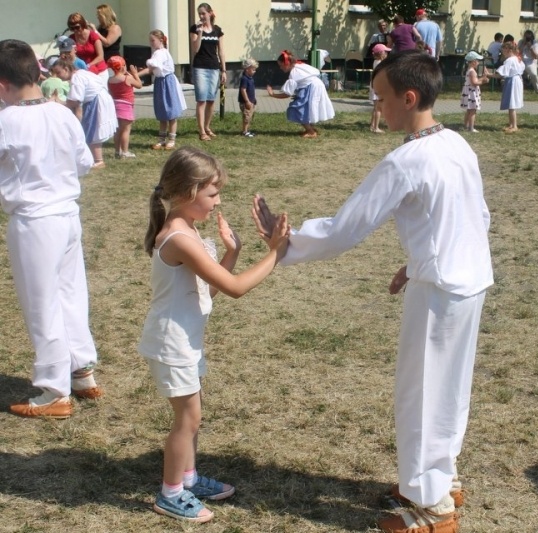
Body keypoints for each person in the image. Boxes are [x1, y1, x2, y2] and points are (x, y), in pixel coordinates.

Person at [252, 50, 493, 533]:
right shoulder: (456, 142)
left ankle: (431, 508)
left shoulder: (406, 160)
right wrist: (415, 260)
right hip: (468, 280)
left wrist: (286, 242)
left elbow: (346, 229)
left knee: (422, 392)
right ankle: (441, 480)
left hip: (441, 287)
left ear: (409, 98)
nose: (376, 107)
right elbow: (471, 217)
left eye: (380, 98)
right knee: (448, 388)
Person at [140, 147, 289, 523]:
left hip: (184, 339)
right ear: (188, 192)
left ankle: (188, 479)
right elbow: (236, 288)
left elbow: (208, 291)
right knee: (187, 419)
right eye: (212, 193)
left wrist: (233, 252)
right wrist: (276, 253)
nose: (218, 201)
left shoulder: (187, 230)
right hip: (171, 343)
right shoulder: (179, 239)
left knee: (193, 414)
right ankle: (170, 494)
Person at [0, 39, 102, 419]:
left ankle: (55, 391)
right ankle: (81, 372)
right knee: (71, 294)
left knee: (41, 303)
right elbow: (83, 162)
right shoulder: (62, 114)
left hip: (34, 220)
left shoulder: (6, 121)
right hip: (67, 214)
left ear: (2, 86)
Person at [51, 59, 116, 169]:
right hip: (101, 99)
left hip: (96, 102)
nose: (57, 76)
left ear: (66, 69)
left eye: (58, 72)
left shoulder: (77, 78)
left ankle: (98, 160)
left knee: (93, 130)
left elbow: (75, 101)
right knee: (92, 129)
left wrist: (58, 102)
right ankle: (95, 158)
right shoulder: (82, 73)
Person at [130, 30, 187, 151]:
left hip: (167, 82)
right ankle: (161, 139)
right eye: (150, 41)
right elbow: (150, 69)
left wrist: (139, 71)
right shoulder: (157, 53)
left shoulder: (161, 53)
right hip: (160, 82)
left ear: (160, 40)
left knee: (171, 112)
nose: (151, 43)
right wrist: (135, 75)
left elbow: (152, 65)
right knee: (162, 112)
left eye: (153, 40)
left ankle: (171, 139)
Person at [266, 50, 335, 139]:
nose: (280, 68)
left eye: (281, 65)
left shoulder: (293, 74)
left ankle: (311, 132)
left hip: (311, 88)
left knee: (297, 109)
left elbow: (287, 94)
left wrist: (273, 94)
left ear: (287, 63)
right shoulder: (299, 66)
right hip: (316, 86)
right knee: (309, 108)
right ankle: (311, 128)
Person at [190, 3, 226, 141]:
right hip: (200, 68)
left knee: (211, 100)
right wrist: (200, 32)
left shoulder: (217, 30)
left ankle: (207, 127)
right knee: (201, 100)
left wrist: (224, 70)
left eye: (203, 13)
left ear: (210, 13)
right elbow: (195, 49)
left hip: (214, 67)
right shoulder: (194, 29)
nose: (201, 16)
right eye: (199, 13)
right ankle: (201, 131)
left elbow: (221, 51)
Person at [107, 55, 142, 158]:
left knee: (117, 131)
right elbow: (139, 85)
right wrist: (135, 74)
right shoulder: (127, 78)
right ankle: (125, 152)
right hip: (126, 107)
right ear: (122, 67)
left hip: (115, 106)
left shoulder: (110, 80)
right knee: (126, 130)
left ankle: (117, 151)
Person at [491, 41, 525, 133]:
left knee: (512, 104)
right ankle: (511, 125)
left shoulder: (510, 60)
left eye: (504, 50)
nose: (503, 52)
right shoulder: (517, 59)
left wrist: (489, 75)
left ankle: (514, 126)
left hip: (512, 81)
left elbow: (501, 74)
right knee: (511, 104)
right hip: (516, 80)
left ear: (509, 50)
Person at [67, 12, 108, 80]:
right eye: (72, 28)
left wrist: (88, 65)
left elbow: (100, 56)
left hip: (99, 70)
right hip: (83, 72)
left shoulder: (93, 35)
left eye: (77, 27)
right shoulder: (71, 38)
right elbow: (72, 55)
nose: (75, 30)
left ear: (82, 24)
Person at [461, 50, 490, 133]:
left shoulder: (469, 70)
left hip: (469, 92)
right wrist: (483, 81)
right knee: (473, 111)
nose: (478, 63)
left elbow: (474, 80)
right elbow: (474, 83)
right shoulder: (472, 72)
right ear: (473, 62)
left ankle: (466, 125)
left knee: (469, 110)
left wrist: (482, 78)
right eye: (477, 61)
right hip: (472, 93)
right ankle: (471, 128)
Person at [370, 44, 391, 133]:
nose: (386, 54)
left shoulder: (376, 62)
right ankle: (376, 128)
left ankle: (372, 125)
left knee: (376, 107)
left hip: (374, 86)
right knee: (378, 108)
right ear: (381, 53)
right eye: (385, 52)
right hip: (378, 87)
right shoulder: (380, 64)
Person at [239, 58, 258, 138]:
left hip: (251, 101)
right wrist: (247, 101)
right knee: (246, 117)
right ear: (247, 69)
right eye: (253, 70)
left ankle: (247, 130)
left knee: (250, 116)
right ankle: (245, 131)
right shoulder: (244, 79)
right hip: (246, 103)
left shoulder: (250, 78)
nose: (255, 71)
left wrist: (253, 99)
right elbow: (243, 90)